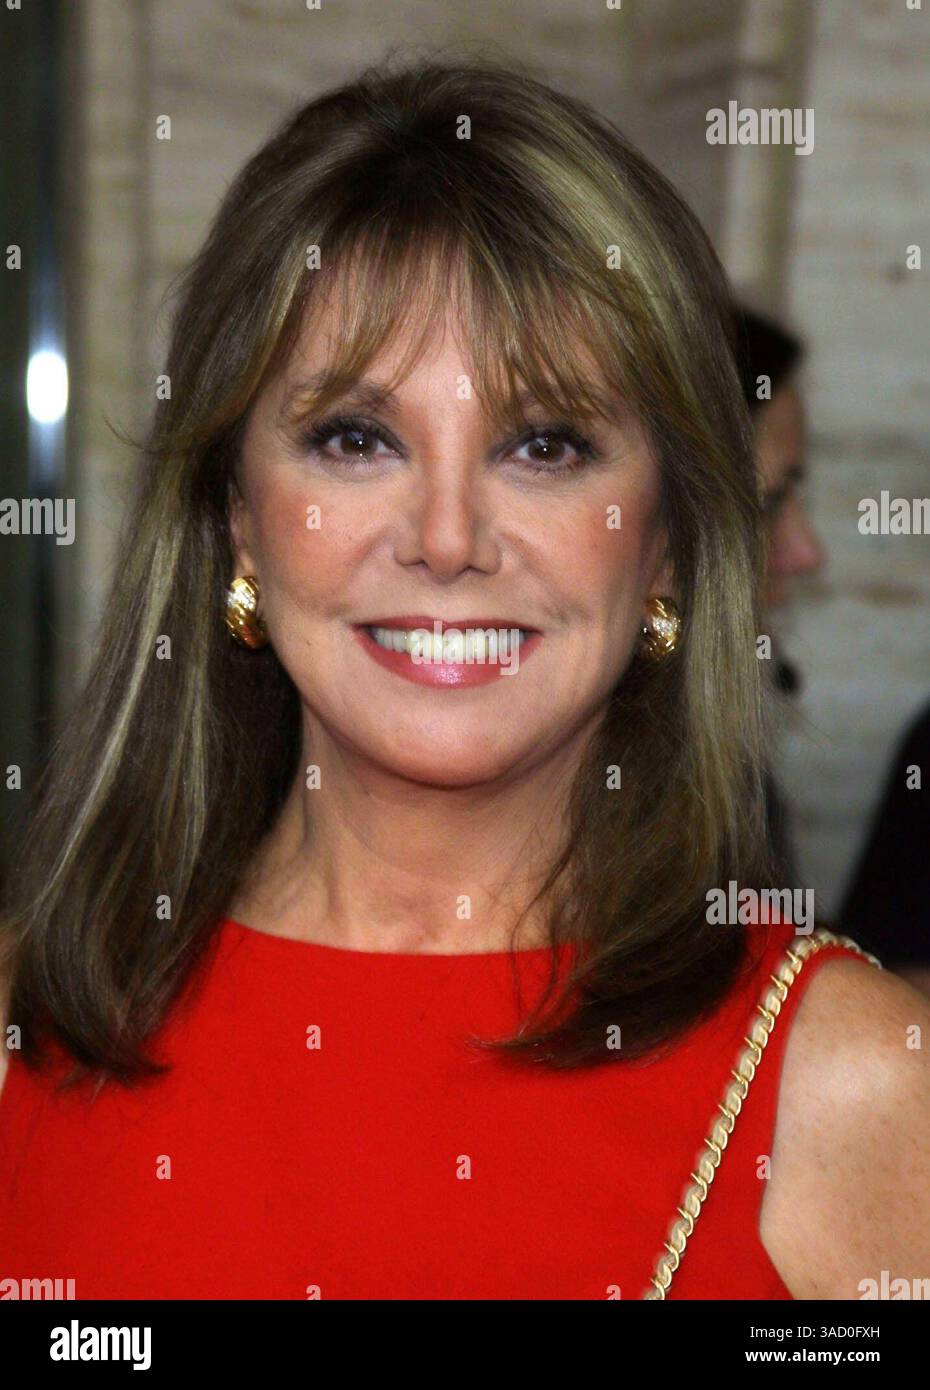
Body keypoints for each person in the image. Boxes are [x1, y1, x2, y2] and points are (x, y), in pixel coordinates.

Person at [0, 59, 927, 1302]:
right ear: (236, 517)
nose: (447, 539)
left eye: (545, 444)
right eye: (355, 438)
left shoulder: (857, 1086)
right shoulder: (21, 1028)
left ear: (664, 539)